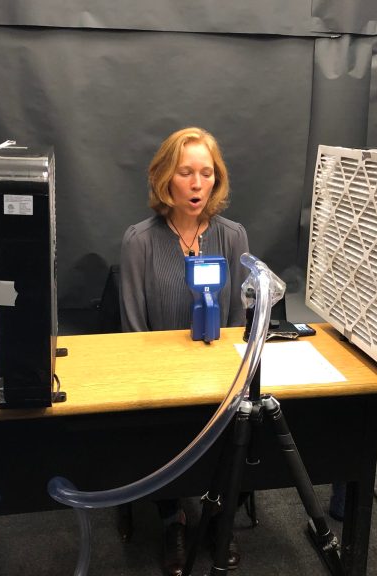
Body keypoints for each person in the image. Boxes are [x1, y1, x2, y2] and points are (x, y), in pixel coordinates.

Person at [120, 127, 249, 576]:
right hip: (161, 379)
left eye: (206, 173)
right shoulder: (140, 241)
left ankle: (218, 515)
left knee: (236, 421)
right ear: (165, 180)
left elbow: (236, 323)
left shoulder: (233, 238)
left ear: (217, 180)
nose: (197, 184)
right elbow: (133, 329)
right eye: (186, 173)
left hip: (218, 377)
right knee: (163, 426)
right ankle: (173, 519)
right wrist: (161, 381)